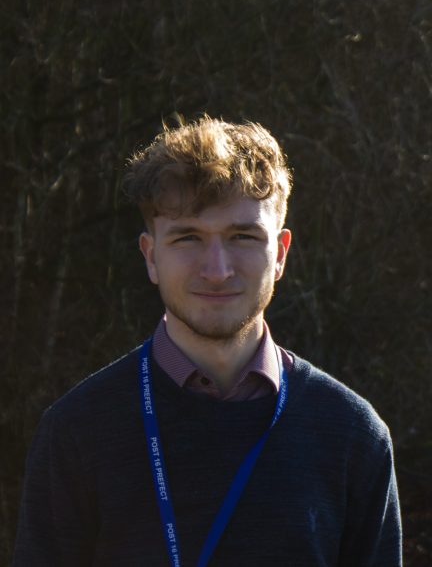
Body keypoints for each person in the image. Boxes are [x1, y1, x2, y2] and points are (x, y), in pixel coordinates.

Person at [13, 116, 402, 566]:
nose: (217, 269)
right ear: (150, 256)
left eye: (242, 237)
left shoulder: (353, 435)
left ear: (279, 254)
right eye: (188, 237)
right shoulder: (76, 432)